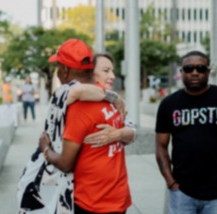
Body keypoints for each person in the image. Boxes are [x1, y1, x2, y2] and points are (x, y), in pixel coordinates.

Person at [17, 39, 132, 214]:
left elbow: (65, 164)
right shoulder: (111, 104)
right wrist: (115, 97)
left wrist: (45, 149)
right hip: (118, 196)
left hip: (91, 201)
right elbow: (131, 131)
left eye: (58, 66)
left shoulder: (74, 101)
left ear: (64, 70)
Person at [155, 50, 217, 214]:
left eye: (200, 68)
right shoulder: (169, 104)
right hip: (182, 192)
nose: (194, 73)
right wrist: (171, 182)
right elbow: (160, 146)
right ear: (181, 72)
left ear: (208, 71)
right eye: (188, 69)